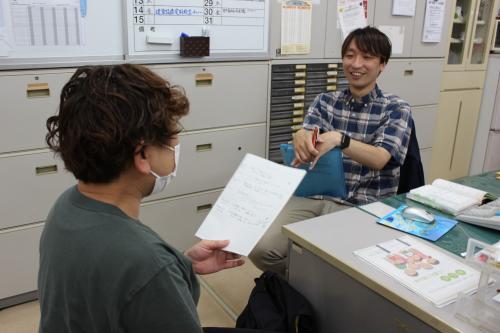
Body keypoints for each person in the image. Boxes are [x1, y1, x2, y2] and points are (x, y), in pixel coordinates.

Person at [38, 64, 261, 332]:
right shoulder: (147, 263)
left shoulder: (66, 205)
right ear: (143, 155)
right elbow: (139, 272)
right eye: (173, 140)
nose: (176, 150)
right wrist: (162, 273)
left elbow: (111, 281)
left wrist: (181, 265)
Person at [250, 26, 412, 276]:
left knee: (337, 264)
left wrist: (341, 140)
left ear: (382, 64)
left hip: (362, 203)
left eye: (367, 57)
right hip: (313, 196)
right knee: (261, 248)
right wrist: (301, 135)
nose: (356, 64)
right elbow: (308, 134)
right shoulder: (325, 101)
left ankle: (315, 287)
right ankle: (300, 285)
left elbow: (380, 158)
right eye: (350, 55)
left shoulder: (396, 108)